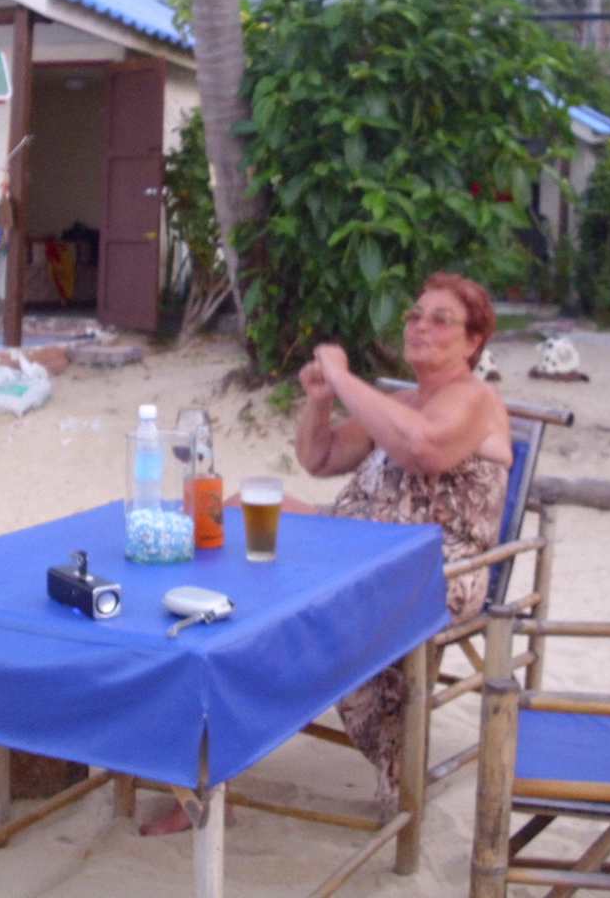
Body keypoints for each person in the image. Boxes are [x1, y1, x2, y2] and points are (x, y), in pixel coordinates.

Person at [140, 272, 511, 835]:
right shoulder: (401, 402)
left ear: (473, 341)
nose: (420, 326)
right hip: (355, 545)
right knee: (230, 512)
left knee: (269, 607)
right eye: (415, 315)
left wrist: (341, 375)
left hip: (427, 569)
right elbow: (321, 457)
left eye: (441, 320)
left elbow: (424, 448)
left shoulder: (476, 400)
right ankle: (201, 728)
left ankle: (217, 744)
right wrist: (319, 403)